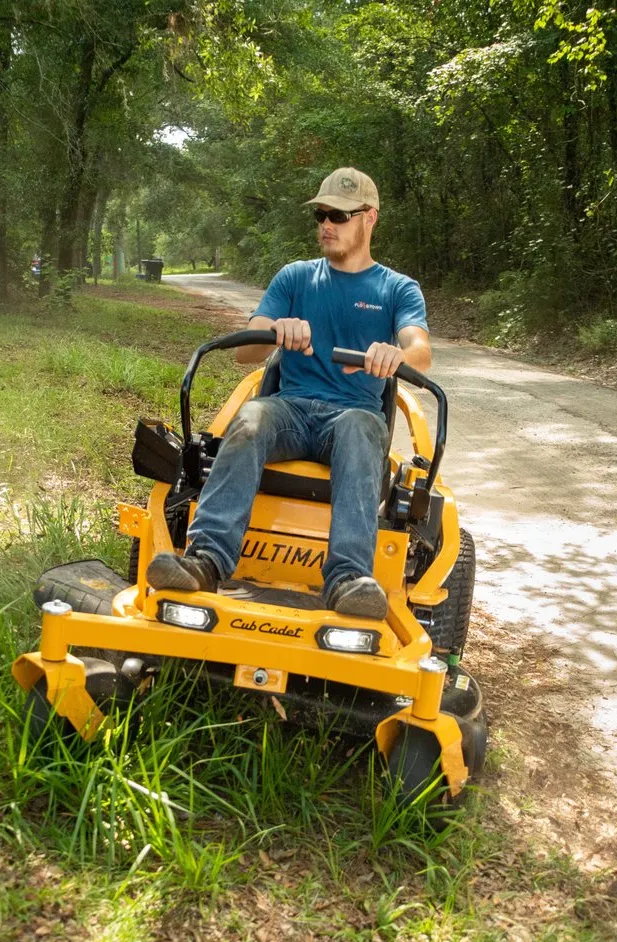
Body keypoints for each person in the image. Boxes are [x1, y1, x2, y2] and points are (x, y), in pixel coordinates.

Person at [147, 167, 431, 619]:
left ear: (369, 218)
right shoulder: (296, 278)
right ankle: (206, 560)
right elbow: (250, 348)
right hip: (291, 410)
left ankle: (348, 581)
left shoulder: (396, 288)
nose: (327, 224)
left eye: (339, 216)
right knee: (251, 417)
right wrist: (276, 330)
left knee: (361, 428)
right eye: (321, 214)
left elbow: (419, 349)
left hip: (353, 415)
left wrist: (397, 355)